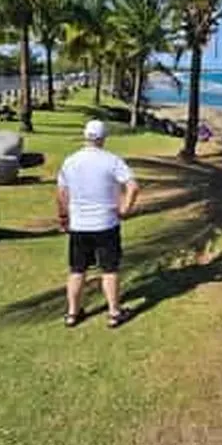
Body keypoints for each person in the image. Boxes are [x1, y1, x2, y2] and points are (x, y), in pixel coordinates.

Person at [56, 119, 139, 329]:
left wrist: (64, 217)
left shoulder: (70, 161)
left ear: (85, 136)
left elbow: (61, 193)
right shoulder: (112, 160)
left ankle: (72, 313)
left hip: (79, 226)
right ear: (103, 138)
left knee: (77, 270)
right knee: (109, 269)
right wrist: (125, 210)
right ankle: (113, 313)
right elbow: (133, 187)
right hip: (106, 224)